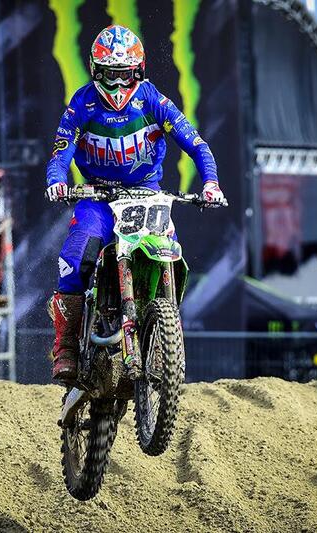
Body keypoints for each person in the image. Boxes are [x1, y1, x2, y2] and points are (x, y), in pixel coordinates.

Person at [44, 25, 225, 381]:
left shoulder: (153, 100)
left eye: (124, 75)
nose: (116, 84)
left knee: (170, 254)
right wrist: (57, 182)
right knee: (76, 256)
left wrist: (211, 183)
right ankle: (65, 347)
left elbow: (197, 144)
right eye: (108, 74)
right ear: (95, 71)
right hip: (97, 196)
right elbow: (61, 152)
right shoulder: (82, 103)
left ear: (138, 71)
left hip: (147, 194)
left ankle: (162, 334)